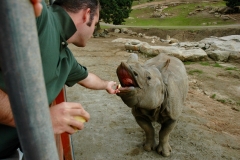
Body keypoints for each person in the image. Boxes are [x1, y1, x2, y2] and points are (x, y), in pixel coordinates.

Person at [0, 0, 119, 159]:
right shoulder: (37, 16)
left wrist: (107, 85)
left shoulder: (66, 58)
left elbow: (87, 78)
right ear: (87, 14)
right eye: (96, 23)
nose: (94, 31)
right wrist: (41, 119)